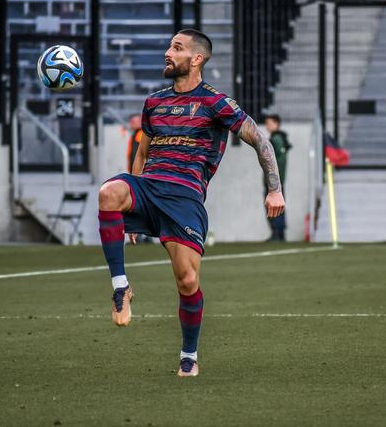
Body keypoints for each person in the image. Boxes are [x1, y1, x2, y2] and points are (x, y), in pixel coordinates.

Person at [97, 29, 285, 376]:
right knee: (109, 191)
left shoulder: (215, 103)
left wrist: (274, 188)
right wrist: (132, 199)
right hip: (149, 188)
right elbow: (143, 152)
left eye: (177, 48)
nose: (168, 52)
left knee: (186, 280)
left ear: (196, 59)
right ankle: (120, 287)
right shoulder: (154, 102)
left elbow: (260, 140)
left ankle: (189, 355)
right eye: (169, 45)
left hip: (184, 200)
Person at [263, 114, 292, 241]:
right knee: (279, 206)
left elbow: (275, 162)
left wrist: (273, 181)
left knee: (273, 206)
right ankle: (280, 233)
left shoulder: (276, 139)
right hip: (277, 181)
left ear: (276, 123)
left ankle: (277, 233)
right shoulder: (279, 138)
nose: (267, 126)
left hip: (274, 182)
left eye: (269, 123)